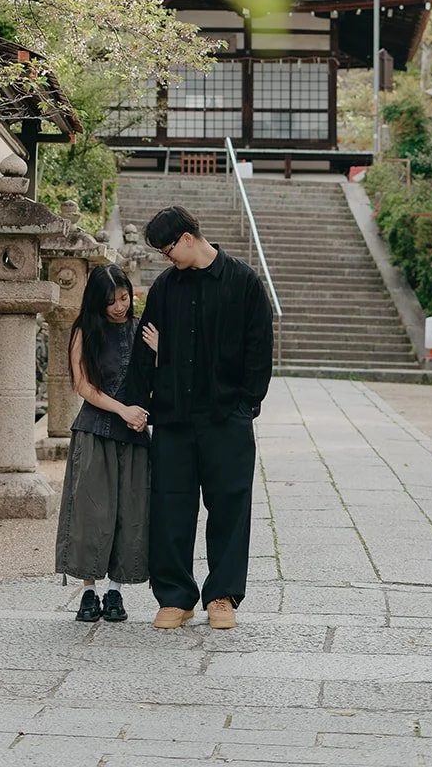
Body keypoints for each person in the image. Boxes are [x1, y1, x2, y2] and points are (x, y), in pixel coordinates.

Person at [125, 205, 273, 632]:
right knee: (170, 508)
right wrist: (140, 404)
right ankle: (175, 596)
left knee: (229, 506)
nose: (164, 258)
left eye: (168, 249)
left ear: (188, 237)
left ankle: (222, 595)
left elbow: (258, 347)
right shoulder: (165, 289)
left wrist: (247, 403)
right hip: (173, 416)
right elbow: (143, 350)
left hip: (226, 416)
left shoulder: (243, 282)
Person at [55, 263, 153, 623]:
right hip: (95, 430)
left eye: (125, 298)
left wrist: (161, 350)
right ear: (98, 301)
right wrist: (122, 410)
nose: (120, 307)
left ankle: (116, 590)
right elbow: (83, 386)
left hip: (135, 434)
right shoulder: (85, 330)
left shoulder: (141, 330)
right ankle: (88, 591)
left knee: (130, 513)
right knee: (92, 514)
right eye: (111, 301)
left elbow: (159, 378)